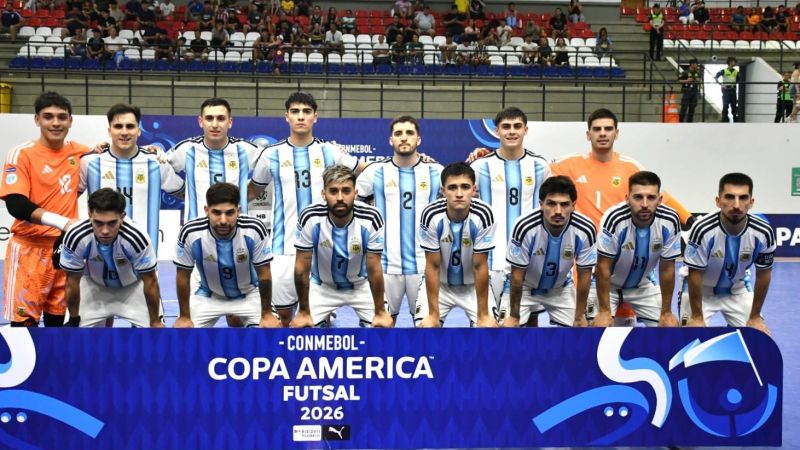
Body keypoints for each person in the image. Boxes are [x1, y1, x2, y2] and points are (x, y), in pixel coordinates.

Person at [248, 92, 365, 326]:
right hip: (283, 247)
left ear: (315, 117)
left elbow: (365, 169)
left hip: (322, 248)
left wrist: (418, 160)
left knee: (316, 318)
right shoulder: (271, 154)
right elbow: (251, 191)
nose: (300, 117)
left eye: (306, 112)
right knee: (283, 317)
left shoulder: (329, 152)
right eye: (295, 112)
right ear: (286, 117)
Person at [1, 92, 91, 327]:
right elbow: (16, 205)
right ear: (36, 119)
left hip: (63, 252)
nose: (56, 123)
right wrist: (63, 222)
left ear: (71, 121)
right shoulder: (21, 154)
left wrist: (153, 151)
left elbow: (113, 154)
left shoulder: (80, 152)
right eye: (48, 117)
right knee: (24, 325)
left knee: (57, 322)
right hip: (28, 251)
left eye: (62, 117)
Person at [356, 116, 443, 324]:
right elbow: (352, 205)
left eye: (409, 133)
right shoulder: (374, 172)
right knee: (382, 325)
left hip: (424, 265)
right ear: (390, 140)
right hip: (384, 264)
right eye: (398, 134)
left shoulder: (437, 172)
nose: (404, 138)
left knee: (428, 327)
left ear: (419, 139)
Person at [550, 108, 692, 231]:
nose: (603, 133)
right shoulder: (569, 163)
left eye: (608, 129)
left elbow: (662, 197)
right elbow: (536, 170)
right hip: (581, 248)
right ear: (588, 135)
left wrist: (691, 220)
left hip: (616, 249)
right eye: (597, 129)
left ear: (616, 133)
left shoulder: (631, 166)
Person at [470, 107, 550, 324]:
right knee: (489, 321)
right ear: (496, 131)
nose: (512, 132)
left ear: (526, 129)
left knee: (529, 319)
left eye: (517, 126)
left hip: (530, 257)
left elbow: (548, 210)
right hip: (491, 258)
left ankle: (530, 360)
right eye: (506, 127)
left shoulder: (540, 166)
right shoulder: (479, 166)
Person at [289, 166, 393, 328]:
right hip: (322, 286)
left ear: (355, 193)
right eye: (333, 191)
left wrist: (380, 312)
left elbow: (374, 268)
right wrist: (303, 311)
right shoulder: (310, 217)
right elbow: (302, 267)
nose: (340, 197)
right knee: (304, 331)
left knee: (382, 329)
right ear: (324, 194)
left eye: (346, 191)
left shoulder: (371, 217)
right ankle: (323, 317)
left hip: (361, 285)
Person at [80, 104, 184, 252]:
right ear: (109, 131)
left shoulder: (156, 163)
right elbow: (67, 199)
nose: (124, 132)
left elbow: (185, 193)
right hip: (98, 259)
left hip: (145, 259)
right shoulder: (89, 163)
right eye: (118, 126)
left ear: (139, 131)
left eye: (130, 126)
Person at [173, 183, 279, 328]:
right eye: (216, 213)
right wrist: (184, 317)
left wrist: (267, 314)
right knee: (184, 339)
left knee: (269, 335)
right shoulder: (190, 232)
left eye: (230, 213)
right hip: (208, 294)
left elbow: (264, 274)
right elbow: (183, 276)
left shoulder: (254, 229)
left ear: (238, 211)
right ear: (206, 210)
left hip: (249, 294)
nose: (223, 220)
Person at [681, 173, 775, 335]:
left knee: (760, 338)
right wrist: (697, 317)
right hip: (700, 291)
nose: (736, 205)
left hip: (737, 289)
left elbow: (763, 275)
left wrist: (754, 317)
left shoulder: (763, 231)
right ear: (718, 201)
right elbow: (694, 274)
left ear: (751, 202)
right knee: (689, 338)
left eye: (743, 198)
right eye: (729, 197)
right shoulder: (702, 229)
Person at [58, 188, 164, 328]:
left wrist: (155, 322)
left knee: (154, 338)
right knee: (74, 339)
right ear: (89, 215)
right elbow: (72, 281)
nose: (105, 231)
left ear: (122, 217)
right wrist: (73, 319)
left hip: (133, 288)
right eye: (98, 223)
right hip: (94, 287)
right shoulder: (76, 236)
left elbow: (150, 281)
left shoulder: (137, 238)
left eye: (112, 223)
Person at [503, 176, 597, 328]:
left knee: (581, 332)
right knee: (506, 332)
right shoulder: (524, 226)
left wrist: (580, 316)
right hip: (524, 287)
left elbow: (585, 274)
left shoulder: (585, 229)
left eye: (565, 204)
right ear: (541, 204)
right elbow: (516, 276)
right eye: (551, 204)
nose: (558, 211)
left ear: (573, 205)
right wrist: (514, 316)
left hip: (561, 288)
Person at [592, 171, 681, 328]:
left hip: (642, 285)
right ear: (627, 198)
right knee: (596, 329)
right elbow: (603, 267)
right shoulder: (614, 218)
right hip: (608, 286)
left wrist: (666, 312)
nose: (645, 204)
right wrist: (604, 311)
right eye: (638, 197)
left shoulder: (670, 220)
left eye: (651, 198)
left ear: (660, 200)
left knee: (669, 328)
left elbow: (667, 268)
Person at [417, 163, 497, 328]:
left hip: (472, 287)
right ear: (443, 190)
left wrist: (483, 315)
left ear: (474, 190)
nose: (459, 194)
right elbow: (432, 266)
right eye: (452, 188)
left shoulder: (485, 215)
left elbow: (480, 266)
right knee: (426, 329)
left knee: (488, 330)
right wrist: (433, 314)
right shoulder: (430, 215)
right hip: (441, 286)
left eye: (465, 187)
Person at [165, 98, 262, 223]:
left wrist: (250, 192)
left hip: (237, 231)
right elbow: (162, 168)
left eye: (221, 118)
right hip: (196, 231)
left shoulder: (244, 149)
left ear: (230, 122)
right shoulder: (187, 149)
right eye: (209, 118)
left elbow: (272, 164)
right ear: (201, 122)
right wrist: (183, 191)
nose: (215, 124)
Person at [714, 56, 739, 122]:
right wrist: (721, 85)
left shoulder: (736, 72)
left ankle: (735, 118)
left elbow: (738, 80)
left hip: (733, 90)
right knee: (725, 105)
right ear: (730, 62)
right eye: (733, 61)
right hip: (726, 90)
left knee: (734, 104)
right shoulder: (724, 71)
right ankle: (725, 118)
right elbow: (716, 77)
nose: (734, 63)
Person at [679, 58, 702, 122]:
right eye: (695, 64)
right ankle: (681, 121)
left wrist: (698, 80)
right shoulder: (685, 72)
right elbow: (679, 80)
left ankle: (690, 121)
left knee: (692, 107)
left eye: (696, 64)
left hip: (694, 92)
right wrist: (687, 80)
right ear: (691, 64)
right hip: (687, 91)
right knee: (684, 107)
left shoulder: (698, 72)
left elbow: (700, 79)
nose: (696, 65)